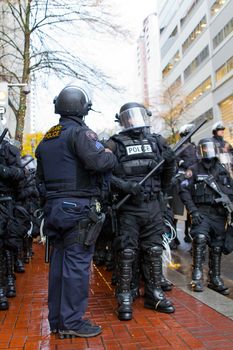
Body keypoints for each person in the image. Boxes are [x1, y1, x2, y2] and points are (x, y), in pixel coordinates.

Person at [35, 83, 116, 338]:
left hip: (54, 209)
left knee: (59, 266)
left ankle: (58, 321)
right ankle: (72, 322)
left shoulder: (48, 137)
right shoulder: (80, 133)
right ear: (82, 108)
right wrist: (109, 151)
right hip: (78, 209)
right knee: (77, 266)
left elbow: (39, 180)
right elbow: (99, 161)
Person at [105, 102, 175, 321]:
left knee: (154, 250)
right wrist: (124, 186)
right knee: (127, 252)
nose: (134, 122)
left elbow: (168, 174)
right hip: (128, 208)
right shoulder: (114, 144)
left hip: (153, 205)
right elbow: (103, 175)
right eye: (129, 118)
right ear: (121, 120)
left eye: (138, 117)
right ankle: (124, 295)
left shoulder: (157, 141)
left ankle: (154, 293)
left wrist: (166, 174)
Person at [179, 138, 233, 294]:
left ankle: (214, 278)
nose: (208, 152)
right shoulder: (193, 169)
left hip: (219, 214)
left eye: (210, 148)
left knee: (217, 246)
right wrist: (193, 211)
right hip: (201, 212)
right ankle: (196, 276)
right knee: (200, 239)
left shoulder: (222, 169)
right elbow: (183, 191)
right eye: (204, 149)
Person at [174, 124, 198, 243]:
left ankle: (186, 233)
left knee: (190, 206)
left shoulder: (194, 146)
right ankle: (174, 237)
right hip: (183, 177)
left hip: (193, 177)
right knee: (178, 208)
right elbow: (176, 158)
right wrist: (184, 164)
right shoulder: (180, 145)